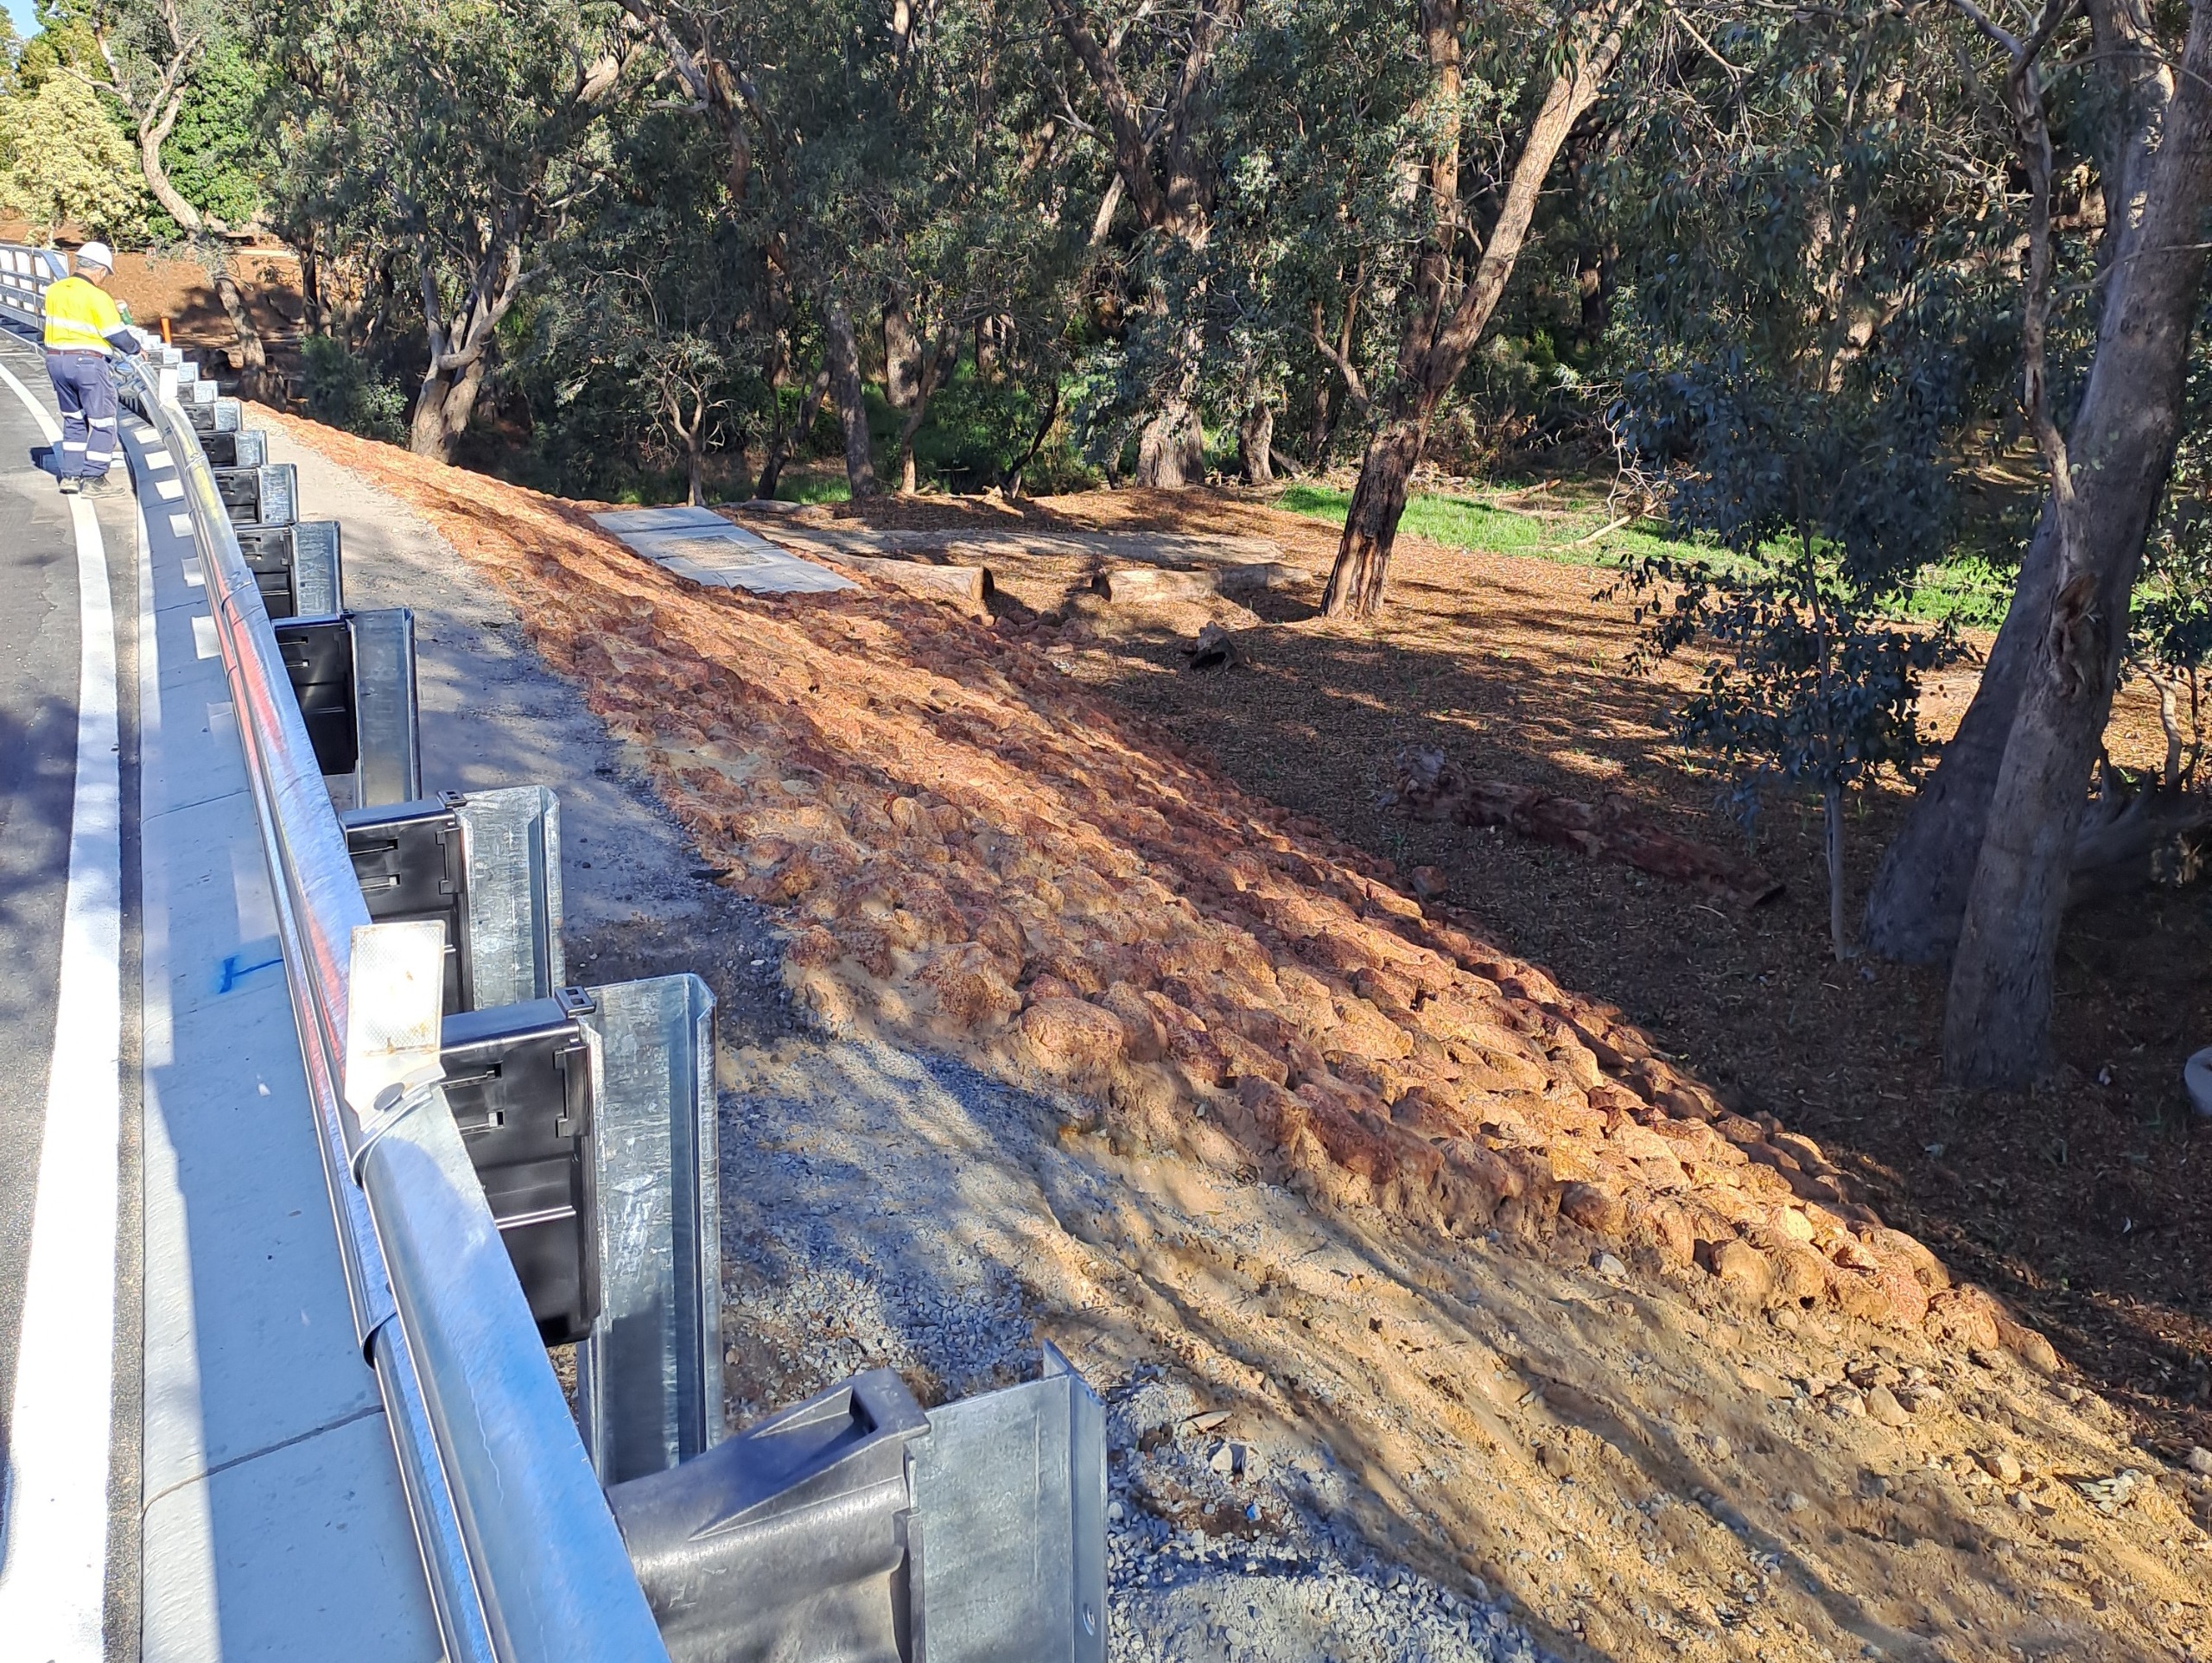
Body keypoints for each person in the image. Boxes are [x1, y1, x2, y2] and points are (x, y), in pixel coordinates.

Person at [41, 240, 142, 498]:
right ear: (100, 270)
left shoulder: (54, 291)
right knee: (102, 421)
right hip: (87, 364)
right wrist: (136, 349)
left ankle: (71, 476)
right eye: (105, 274)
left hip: (56, 361)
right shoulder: (98, 297)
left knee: (73, 418)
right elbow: (115, 334)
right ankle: (95, 478)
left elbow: (75, 314)